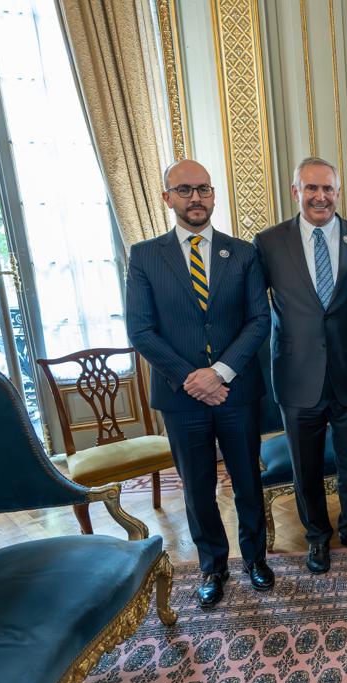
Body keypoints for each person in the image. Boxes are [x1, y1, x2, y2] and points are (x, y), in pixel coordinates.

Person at [126, 159, 273, 608]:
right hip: (181, 396)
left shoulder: (243, 253)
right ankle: (213, 564)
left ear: (214, 195)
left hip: (235, 390)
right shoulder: (146, 255)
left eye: (204, 190)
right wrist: (192, 379)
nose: (196, 198)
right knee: (197, 485)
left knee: (247, 479)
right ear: (166, 197)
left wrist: (220, 373)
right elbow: (140, 329)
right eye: (185, 190)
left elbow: (258, 319)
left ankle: (255, 559)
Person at [253, 157, 347, 575]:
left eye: (328, 188)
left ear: (338, 192)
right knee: (305, 467)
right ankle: (317, 537)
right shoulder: (269, 243)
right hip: (296, 373)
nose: (320, 196)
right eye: (311, 188)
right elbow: (256, 312)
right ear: (296, 192)